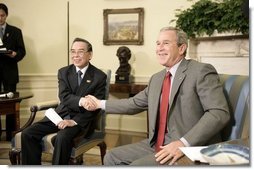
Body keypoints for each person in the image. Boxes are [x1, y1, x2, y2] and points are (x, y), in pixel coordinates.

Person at [85, 26, 230, 165]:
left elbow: (218, 112)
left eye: (166, 43)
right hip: (158, 143)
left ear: (181, 48)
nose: (159, 48)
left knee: (138, 165)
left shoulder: (201, 71)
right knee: (112, 157)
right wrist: (99, 104)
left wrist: (182, 143)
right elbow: (133, 103)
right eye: (158, 43)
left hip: (190, 147)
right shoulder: (157, 78)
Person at [21, 38, 107, 165]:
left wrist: (74, 121)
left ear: (90, 54)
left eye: (80, 52)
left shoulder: (99, 76)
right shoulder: (64, 72)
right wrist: (82, 101)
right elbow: (64, 96)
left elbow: (96, 107)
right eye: (73, 52)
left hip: (81, 119)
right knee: (28, 133)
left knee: (62, 137)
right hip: (59, 115)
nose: (75, 56)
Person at [0, 3, 26, 141]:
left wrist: (15, 54)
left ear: (6, 15)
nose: (0, 18)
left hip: (10, 72)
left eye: (2, 15)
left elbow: (23, 52)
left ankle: (11, 134)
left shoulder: (15, 31)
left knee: (11, 103)